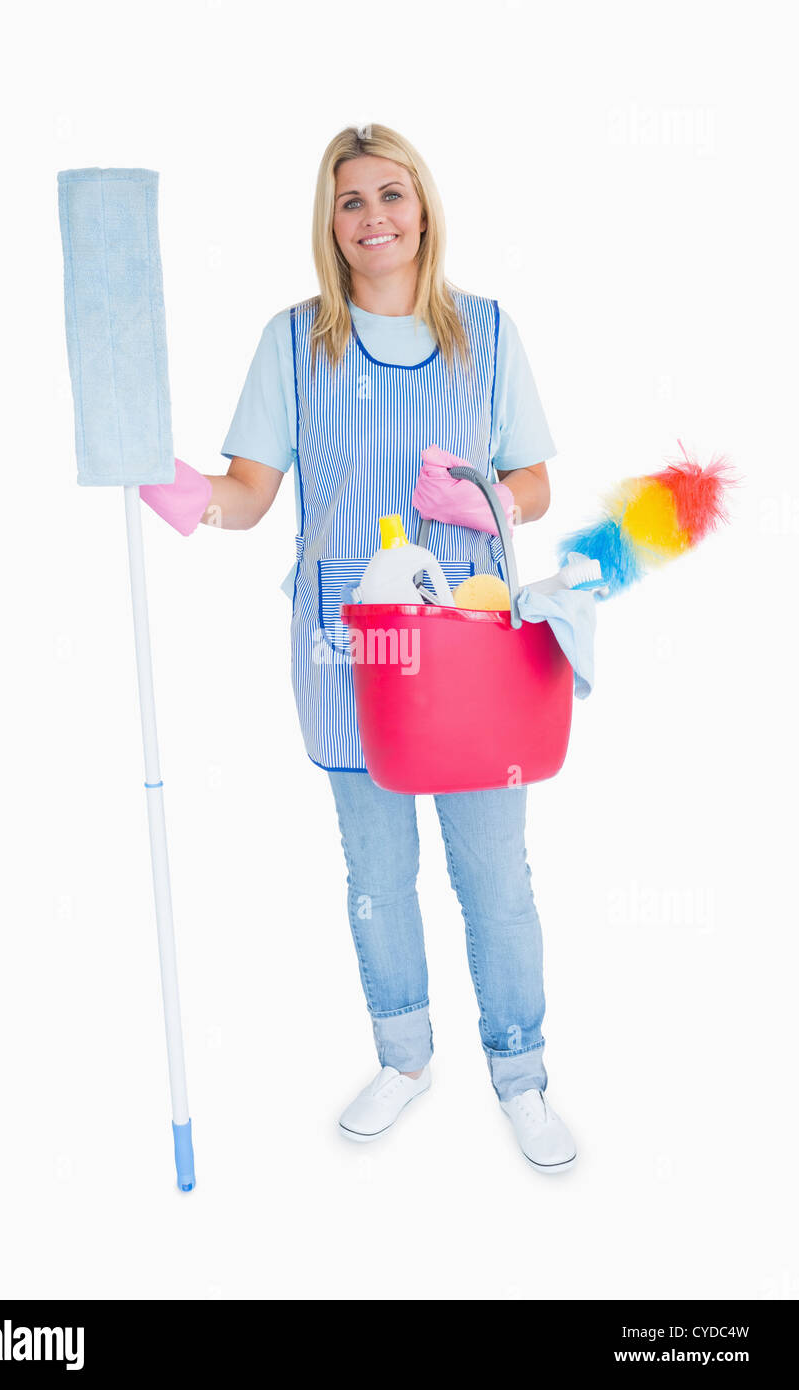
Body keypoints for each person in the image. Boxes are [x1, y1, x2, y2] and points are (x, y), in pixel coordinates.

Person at [198, 124, 576, 1173]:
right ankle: (402, 1055)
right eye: (350, 200)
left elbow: (535, 482)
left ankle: (520, 1071)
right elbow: (248, 492)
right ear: (329, 222)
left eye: (389, 195)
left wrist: (488, 493)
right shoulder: (293, 342)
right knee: (376, 868)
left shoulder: (486, 333)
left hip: (471, 646)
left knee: (492, 872)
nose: (373, 218)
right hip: (348, 650)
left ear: (422, 208)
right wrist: (185, 496)